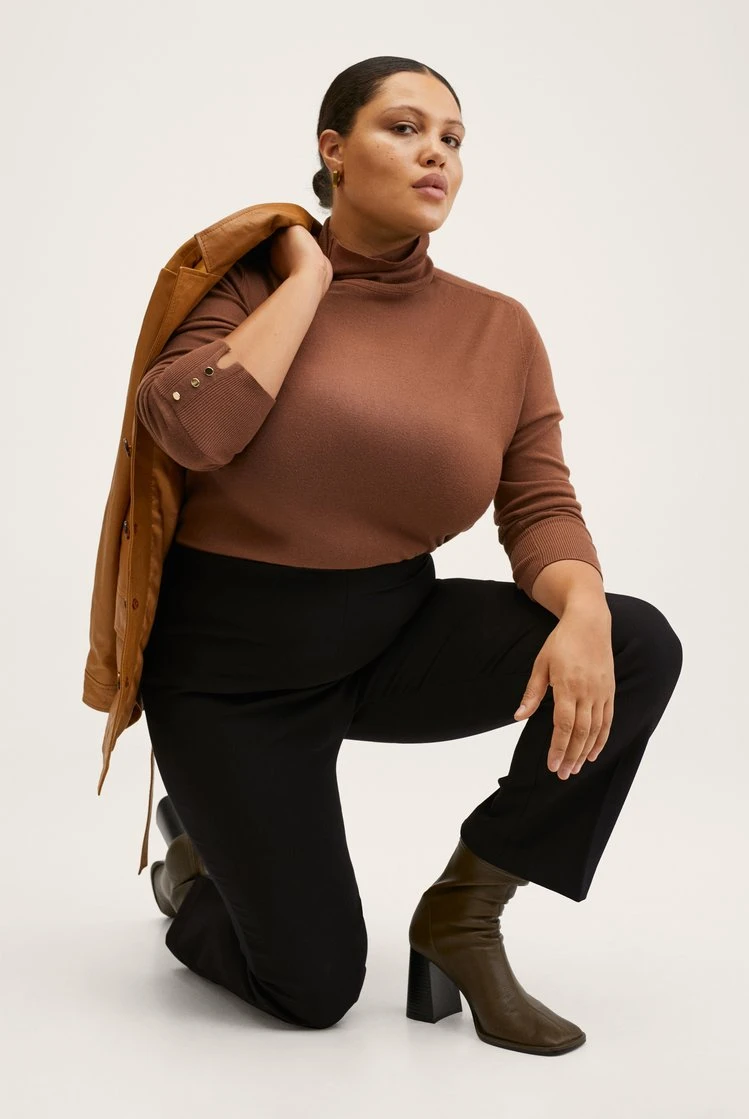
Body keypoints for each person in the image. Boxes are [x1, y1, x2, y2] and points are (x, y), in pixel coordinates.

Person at [137, 55, 683, 1056]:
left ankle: (465, 914)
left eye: (453, 138)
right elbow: (191, 429)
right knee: (309, 987)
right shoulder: (245, 283)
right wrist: (308, 278)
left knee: (632, 642)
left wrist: (582, 610)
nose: (436, 152)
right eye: (403, 127)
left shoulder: (497, 329)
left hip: (388, 639)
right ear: (333, 151)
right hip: (228, 677)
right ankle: (194, 870)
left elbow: (538, 504)